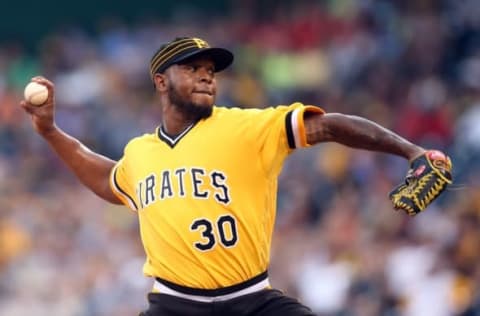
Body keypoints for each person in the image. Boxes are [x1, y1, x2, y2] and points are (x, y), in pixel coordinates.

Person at [21, 37, 437, 316]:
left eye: (211, 70)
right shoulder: (140, 153)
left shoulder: (246, 127)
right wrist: (51, 132)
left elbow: (328, 125)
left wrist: (411, 150)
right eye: (193, 68)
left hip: (252, 301)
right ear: (161, 81)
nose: (207, 75)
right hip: (175, 306)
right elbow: (110, 179)